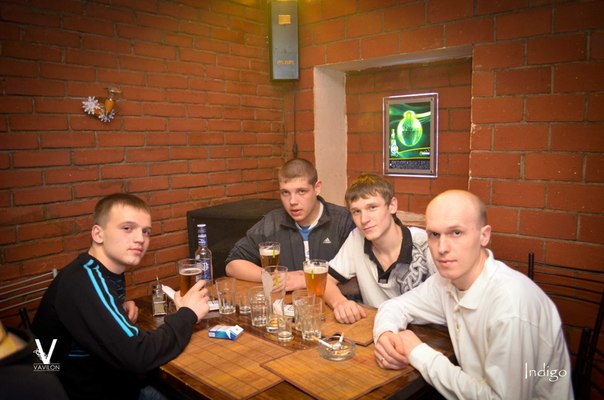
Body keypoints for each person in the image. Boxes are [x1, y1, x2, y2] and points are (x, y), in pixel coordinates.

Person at [373, 190, 573, 399]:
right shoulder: (446, 282)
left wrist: (418, 352)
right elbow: (394, 306)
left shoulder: (511, 306)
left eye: (456, 233)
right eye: (434, 234)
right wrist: (386, 334)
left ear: (484, 236)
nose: (442, 248)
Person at [32, 193, 211, 400]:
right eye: (127, 228)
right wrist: (187, 313)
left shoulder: (104, 272)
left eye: (146, 231)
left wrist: (115, 308)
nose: (140, 238)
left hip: (113, 383)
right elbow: (138, 354)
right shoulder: (83, 280)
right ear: (98, 234)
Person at [225, 158, 356, 291]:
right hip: (288, 302)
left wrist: (307, 280)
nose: (292, 201)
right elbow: (232, 265)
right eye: (285, 193)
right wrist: (272, 277)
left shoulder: (343, 221)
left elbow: (362, 277)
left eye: (301, 191)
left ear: (317, 188)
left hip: (334, 302)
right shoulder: (272, 223)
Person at [324, 174, 436, 324]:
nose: (364, 220)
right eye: (356, 211)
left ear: (392, 206)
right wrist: (340, 303)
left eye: (372, 207)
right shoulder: (357, 237)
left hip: (426, 333)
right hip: (377, 327)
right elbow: (325, 280)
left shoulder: (426, 244)